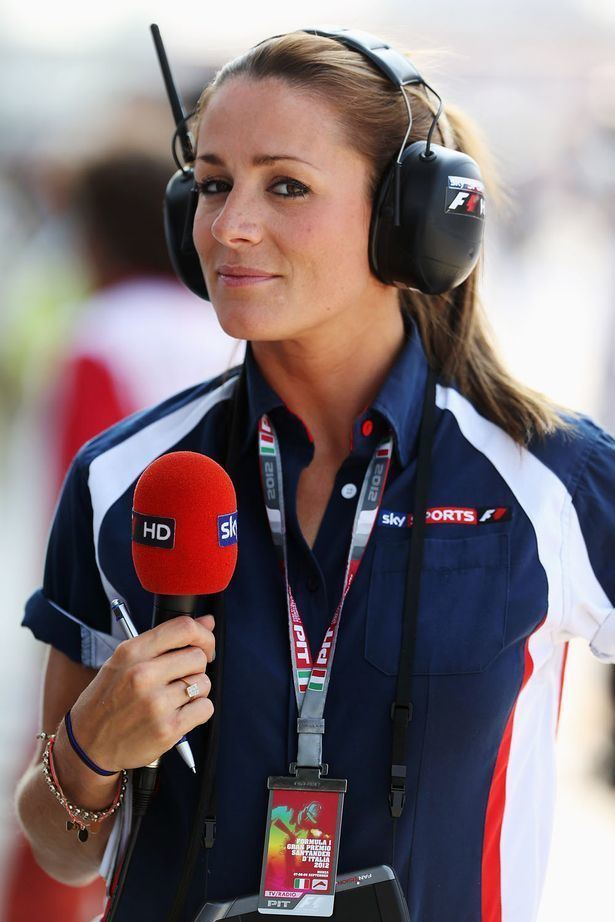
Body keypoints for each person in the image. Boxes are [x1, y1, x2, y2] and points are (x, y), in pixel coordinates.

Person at [15, 29, 615, 922]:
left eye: (285, 185)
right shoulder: (126, 477)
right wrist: (91, 753)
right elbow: (63, 854)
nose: (229, 225)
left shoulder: (549, 480)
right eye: (213, 184)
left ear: (412, 218)